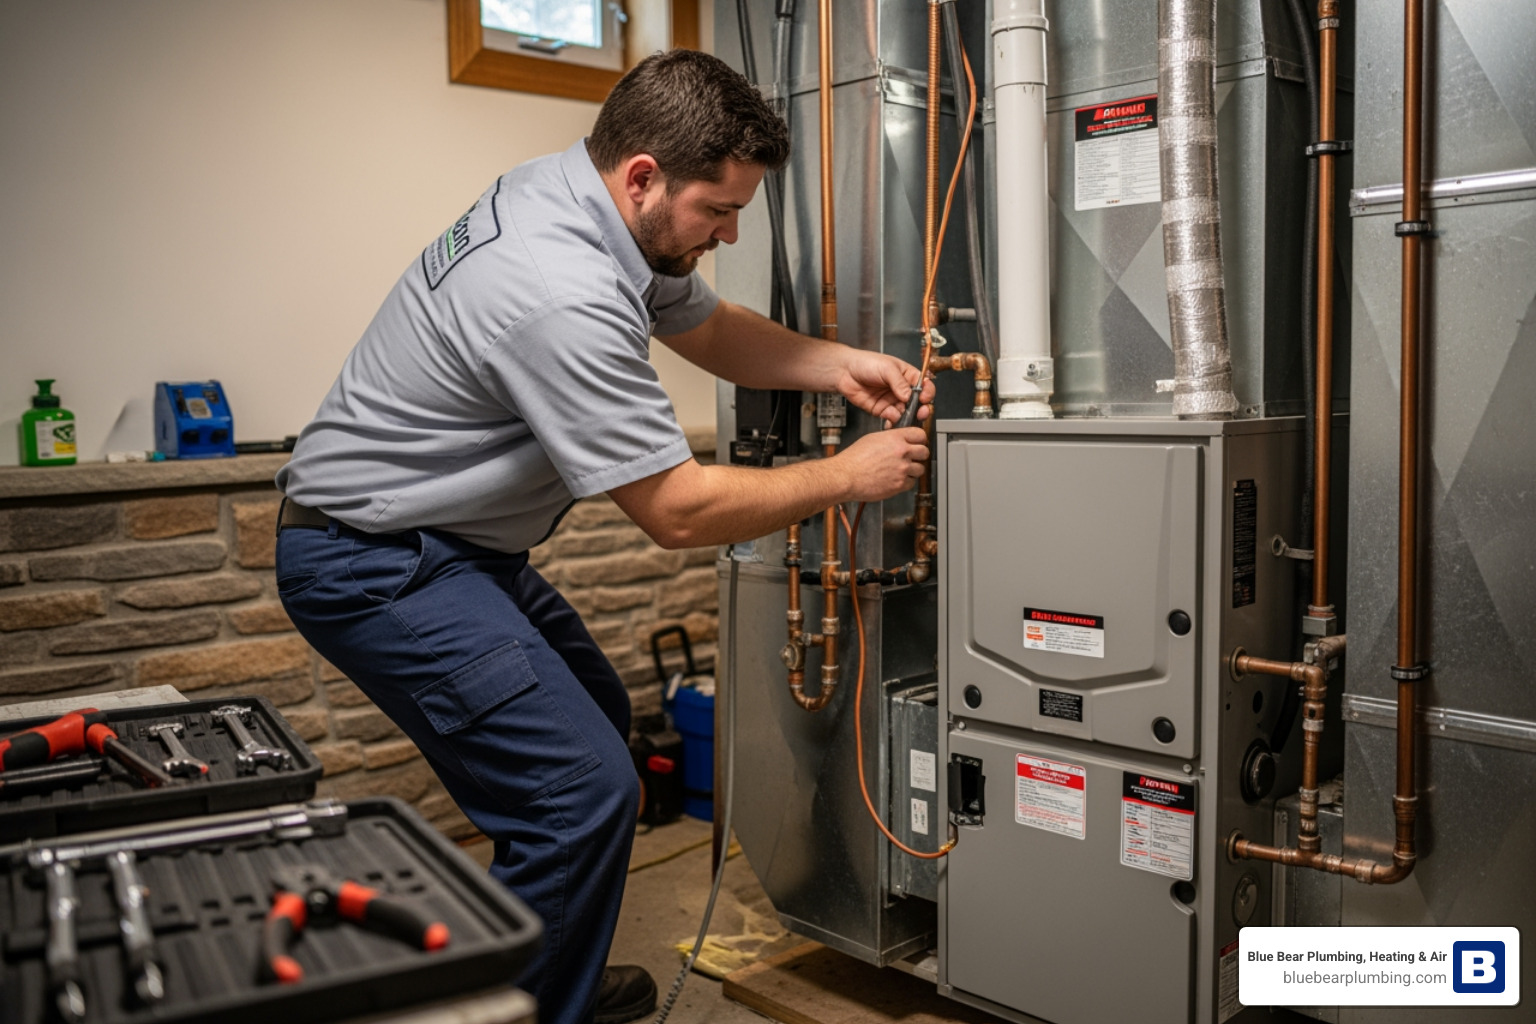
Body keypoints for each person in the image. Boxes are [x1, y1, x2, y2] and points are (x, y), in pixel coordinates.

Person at [274, 49, 932, 1024]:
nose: (730, 232)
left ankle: (549, 980)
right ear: (643, 177)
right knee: (577, 791)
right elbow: (677, 512)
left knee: (593, 725)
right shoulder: (557, 286)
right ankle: (532, 1010)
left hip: (450, 549)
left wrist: (836, 365)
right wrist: (848, 476)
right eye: (719, 210)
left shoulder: (584, 200)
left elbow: (708, 330)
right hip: (372, 562)